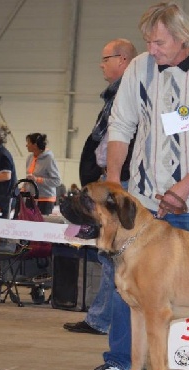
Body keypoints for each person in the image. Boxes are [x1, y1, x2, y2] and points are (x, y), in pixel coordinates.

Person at [77, 2, 189, 370]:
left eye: (158, 42)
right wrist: (115, 183)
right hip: (143, 206)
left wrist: (184, 188)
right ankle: (120, 365)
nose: (150, 49)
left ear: (183, 38)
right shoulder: (138, 69)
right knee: (128, 288)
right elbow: (121, 124)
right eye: (147, 41)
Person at [63, 38, 137, 336]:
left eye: (106, 58)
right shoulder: (116, 93)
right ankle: (102, 317)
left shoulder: (124, 93)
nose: (101, 64)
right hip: (112, 181)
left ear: (122, 60)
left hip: (116, 183)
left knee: (113, 250)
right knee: (110, 252)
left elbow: (114, 139)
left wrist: (109, 173)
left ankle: (104, 320)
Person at [24, 133, 61, 215]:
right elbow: (29, 177)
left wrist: (37, 179)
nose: (26, 145)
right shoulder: (30, 158)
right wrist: (24, 188)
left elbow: (57, 181)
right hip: (31, 198)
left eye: (28, 143)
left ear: (35, 145)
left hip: (45, 200)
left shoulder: (49, 159)